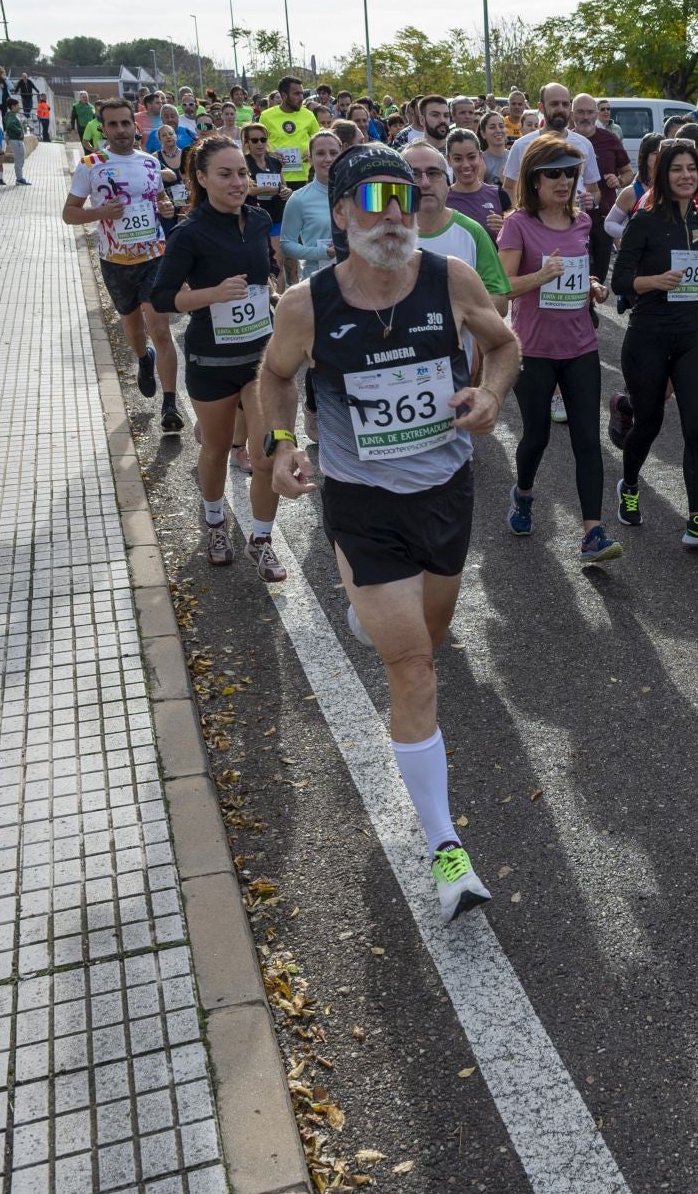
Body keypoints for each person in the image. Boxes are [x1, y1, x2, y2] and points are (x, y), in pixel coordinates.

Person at [254, 143, 520, 920]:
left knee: (431, 636)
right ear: (340, 215)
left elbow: (502, 346)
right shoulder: (307, 304)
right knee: (413, 668)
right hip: (363, 506)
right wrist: (279, 447)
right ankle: (445, 848)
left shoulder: (450, 278)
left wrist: (490, 396)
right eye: (374, 200)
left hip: (444, 491)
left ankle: (377, 615)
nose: (395, 212)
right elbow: (273, 378)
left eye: (404, 197)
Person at [150, 137, 287, 581]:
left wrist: (274, 294)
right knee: (215, 448)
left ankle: (262, 540)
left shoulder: (261, 218)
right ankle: (214, 523)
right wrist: (212, 294)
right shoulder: (189, 232)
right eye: (225, 174)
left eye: (242, 173)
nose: (236, 181)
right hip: (211, 361)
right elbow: (163, 297)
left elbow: (262, 275)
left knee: (267, 452)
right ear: (202, 178)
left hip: (260, 359)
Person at [497, 135, 623, 562]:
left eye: (571, 172)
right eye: (554, 173)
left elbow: (574, 275)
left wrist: (590, 287)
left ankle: (593, 533)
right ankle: (524, 494)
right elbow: (502, 287)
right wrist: (540, 276)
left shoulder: (582, 222)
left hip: (580, 345)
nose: (565, 180)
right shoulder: (517, 224)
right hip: (533, 349)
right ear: (533, 178)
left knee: (588, 439)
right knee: (537, 435)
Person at [611, 138, 698, 548]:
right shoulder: (644, 220)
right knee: (649, 422)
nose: (686, 176)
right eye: (677, 169)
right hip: (647, 335)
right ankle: (629, 485)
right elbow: (620, 281)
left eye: (691, 169)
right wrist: (654, 282)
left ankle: (696, 520)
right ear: (662, 175)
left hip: (690, 332)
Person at [65, 99, 182, 430]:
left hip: (154, 256)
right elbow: (69, 213)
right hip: (115, 262)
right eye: (113, 124)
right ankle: (144, 359)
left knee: (160, 327)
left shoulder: (149, 163)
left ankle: (170, 407)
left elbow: (158, 200)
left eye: (125, 124)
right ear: (104, 128)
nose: (120, 130)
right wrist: (100, 213)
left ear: (136, 126)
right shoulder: (91, 164)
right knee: (133, 329)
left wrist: (166, 208)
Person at [402, 141, 511, 313]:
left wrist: (451, 315)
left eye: (433, 173)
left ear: (447, 182)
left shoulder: (473, 232)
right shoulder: (385, 235)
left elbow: (500, 301)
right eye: (414, 174)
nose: (424, 183)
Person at [572, 93, 631, 300]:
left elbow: (628, 173)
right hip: (571, 219)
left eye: (590, 112)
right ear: (572, 114)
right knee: (576, 268)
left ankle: (589, 306)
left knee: (601, 270)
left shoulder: (609, 139)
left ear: (596, 114)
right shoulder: (564, 142)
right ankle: (583, 310)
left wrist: (619, 180)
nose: (585, 117)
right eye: (580, 112)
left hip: (603, 217)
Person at [504, 85, 598, 208]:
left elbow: (594, 190)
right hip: (533, 224)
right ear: (541, 107)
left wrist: (591, 200)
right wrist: (523, 217)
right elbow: (509, 188)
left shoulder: (585, 144)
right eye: (554, 104)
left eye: (565, 104)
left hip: (574, 222)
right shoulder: (522, 145)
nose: (560, 109)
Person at [279, 131, 342, 280]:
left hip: (356, 281)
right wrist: (321, 252)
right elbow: (287, 244)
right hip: (317, 282)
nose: (328, 159)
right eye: (320, 153)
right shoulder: (299, 199)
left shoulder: (358, 193)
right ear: (311, 159)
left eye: (334, 153)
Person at [241, 124, 292, 284]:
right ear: (247, 142)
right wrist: (266, 189)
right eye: (254, 140)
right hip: (253, 220)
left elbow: (284, 185)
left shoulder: (275, 162)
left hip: (276, 216)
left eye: (263, 139)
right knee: (260, 265)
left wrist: (286, 191)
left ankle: (281, 304)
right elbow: (245, 190)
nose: (259, 144)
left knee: (278, 262)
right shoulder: (244, 163)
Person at [443, 127, 510, 235]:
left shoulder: (499, 195)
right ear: (449, 160)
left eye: (471, 157)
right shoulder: (442, 199)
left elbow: (516, 243)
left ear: (480, 157)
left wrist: (505, 229)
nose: (465, 165)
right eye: (458, 159)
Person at [258, 77, 316, 190]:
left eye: (302, 94)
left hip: (304, 176)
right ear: (284, 96)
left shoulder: (309, 115)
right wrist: (269, 153)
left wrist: (311, 151)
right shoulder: (266, 116)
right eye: (297, 94)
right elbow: (257, 143)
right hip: (277, 176)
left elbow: (319, 141)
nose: (301, 98)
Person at [2, 102, 31, 185]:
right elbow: (10, 125)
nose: (19, 107)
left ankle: (20, 178)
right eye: (17, 105)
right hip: (15, 140)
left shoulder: (12, 115)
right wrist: (19, 131)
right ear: (13, 106)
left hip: (16, 140)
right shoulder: (11, 116)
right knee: (19, 159)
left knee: (20, 158)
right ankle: (19, 179)